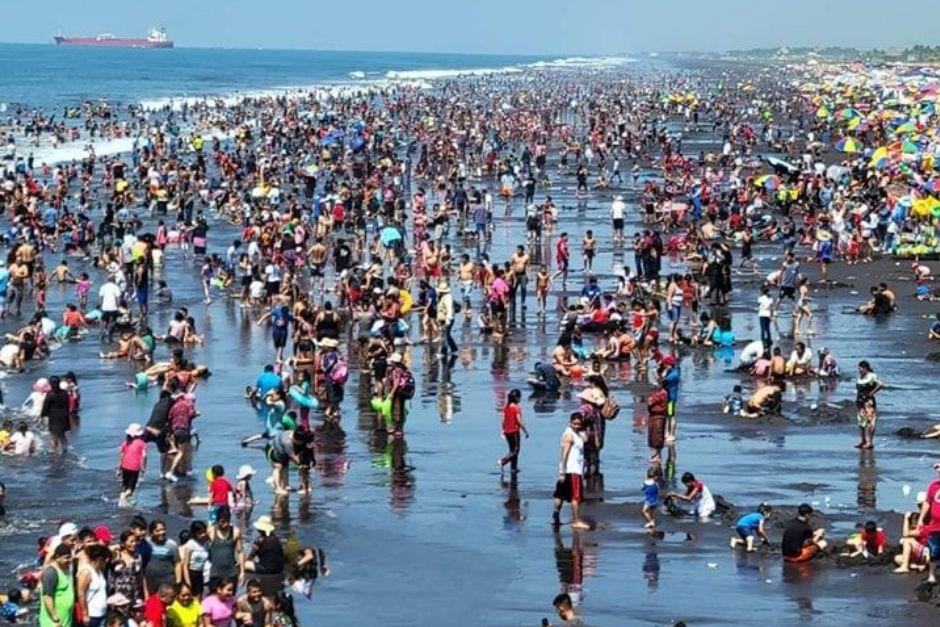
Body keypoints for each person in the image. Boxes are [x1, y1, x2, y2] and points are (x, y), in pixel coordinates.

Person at [552, 413, 589, 530]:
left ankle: (556, 514)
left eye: (579, 424)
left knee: (561, 494)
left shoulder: (577, 433)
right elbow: (564, 454)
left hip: (573, 468)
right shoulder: (569, 435)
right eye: (575, 424)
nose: (577, 426)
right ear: (570, 422)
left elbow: (585, 441)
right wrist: (562, 472)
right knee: (576, 496)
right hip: (572, 469)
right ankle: (576, 521)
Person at [39, 544, 74, 627]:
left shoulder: (65, 569)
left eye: (70, 557)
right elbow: (47, 597)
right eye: (67, 557)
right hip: (53, 622)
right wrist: (55, 618)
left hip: (66, 619)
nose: (70, 560)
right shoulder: (51, 573)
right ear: (58, 557)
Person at [916, 462, 940, 584]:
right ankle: (931, 575)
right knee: (934, 550)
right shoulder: (933, 486)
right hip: (935, 525)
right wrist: (921, 519)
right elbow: (927, 503)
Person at [76, 544, 110, 627]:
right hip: (92, 615)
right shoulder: (86, 572)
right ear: (99, 559)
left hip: (102, 613)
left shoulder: (99, 571)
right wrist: (85, 614)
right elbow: (81, 593)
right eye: (105, 559)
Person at [497, 389, 529, 474]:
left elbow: (503, 420)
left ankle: (513, 468)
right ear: (517, 398)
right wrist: (525, 430)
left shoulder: (506, 407)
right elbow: (519, 421)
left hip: (507, 432)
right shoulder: (516, 407)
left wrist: (503, 429)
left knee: (512, 450)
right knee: (515, 450)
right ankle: (503, 461)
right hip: (514, 431)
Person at [855, 360, 884, 450]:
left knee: (869, 422)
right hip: (860, 401)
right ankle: (863, 440)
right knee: (861, 421)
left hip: (868, 402)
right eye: (859, 368)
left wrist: (872, 393)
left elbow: (881, 384)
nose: (860, 369)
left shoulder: (871, 376)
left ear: (866, 368)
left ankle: (869, 442)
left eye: (862, 368)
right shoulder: (861, 377)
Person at [118, 423, 147, 506]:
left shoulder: (126, 442)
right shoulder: (142, 443)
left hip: (124, 466)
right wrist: (143, 467)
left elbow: (121, 454)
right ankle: (124, 497)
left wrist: (119, 467)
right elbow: (144, 456)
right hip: (135, 467)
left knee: (125, 484)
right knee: (131, 488)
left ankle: (124, 500)